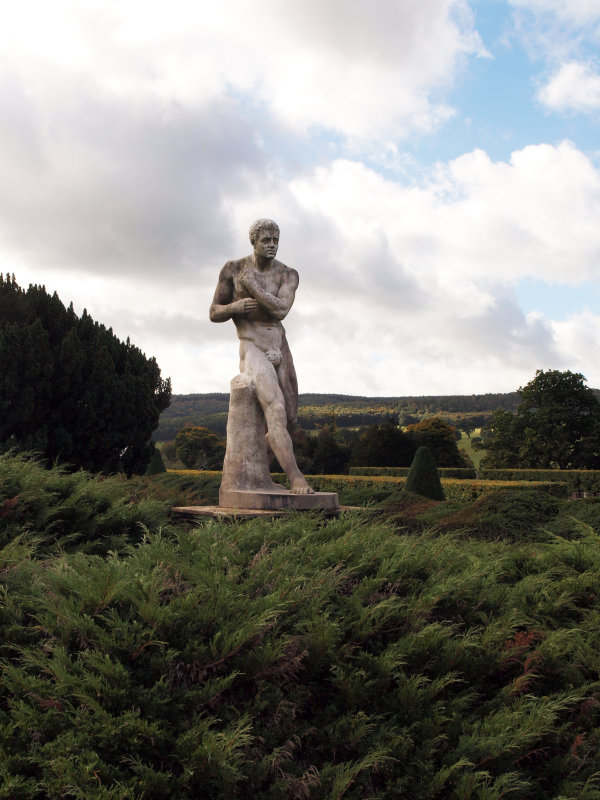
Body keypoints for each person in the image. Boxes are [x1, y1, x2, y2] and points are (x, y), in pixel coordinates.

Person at [209, 218, 313, 494]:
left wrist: (253, 288)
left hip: (280, 346)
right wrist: (236, 306)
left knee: (289, 420)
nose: (271, 245)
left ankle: (258, 473)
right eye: (266, 240)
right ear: (253, 241)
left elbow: (280, 310)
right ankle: (296, 478)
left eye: (275, 240)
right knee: (276, 408)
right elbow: (213, 312)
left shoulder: (288, 274)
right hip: (252, 347)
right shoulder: (233, 269)